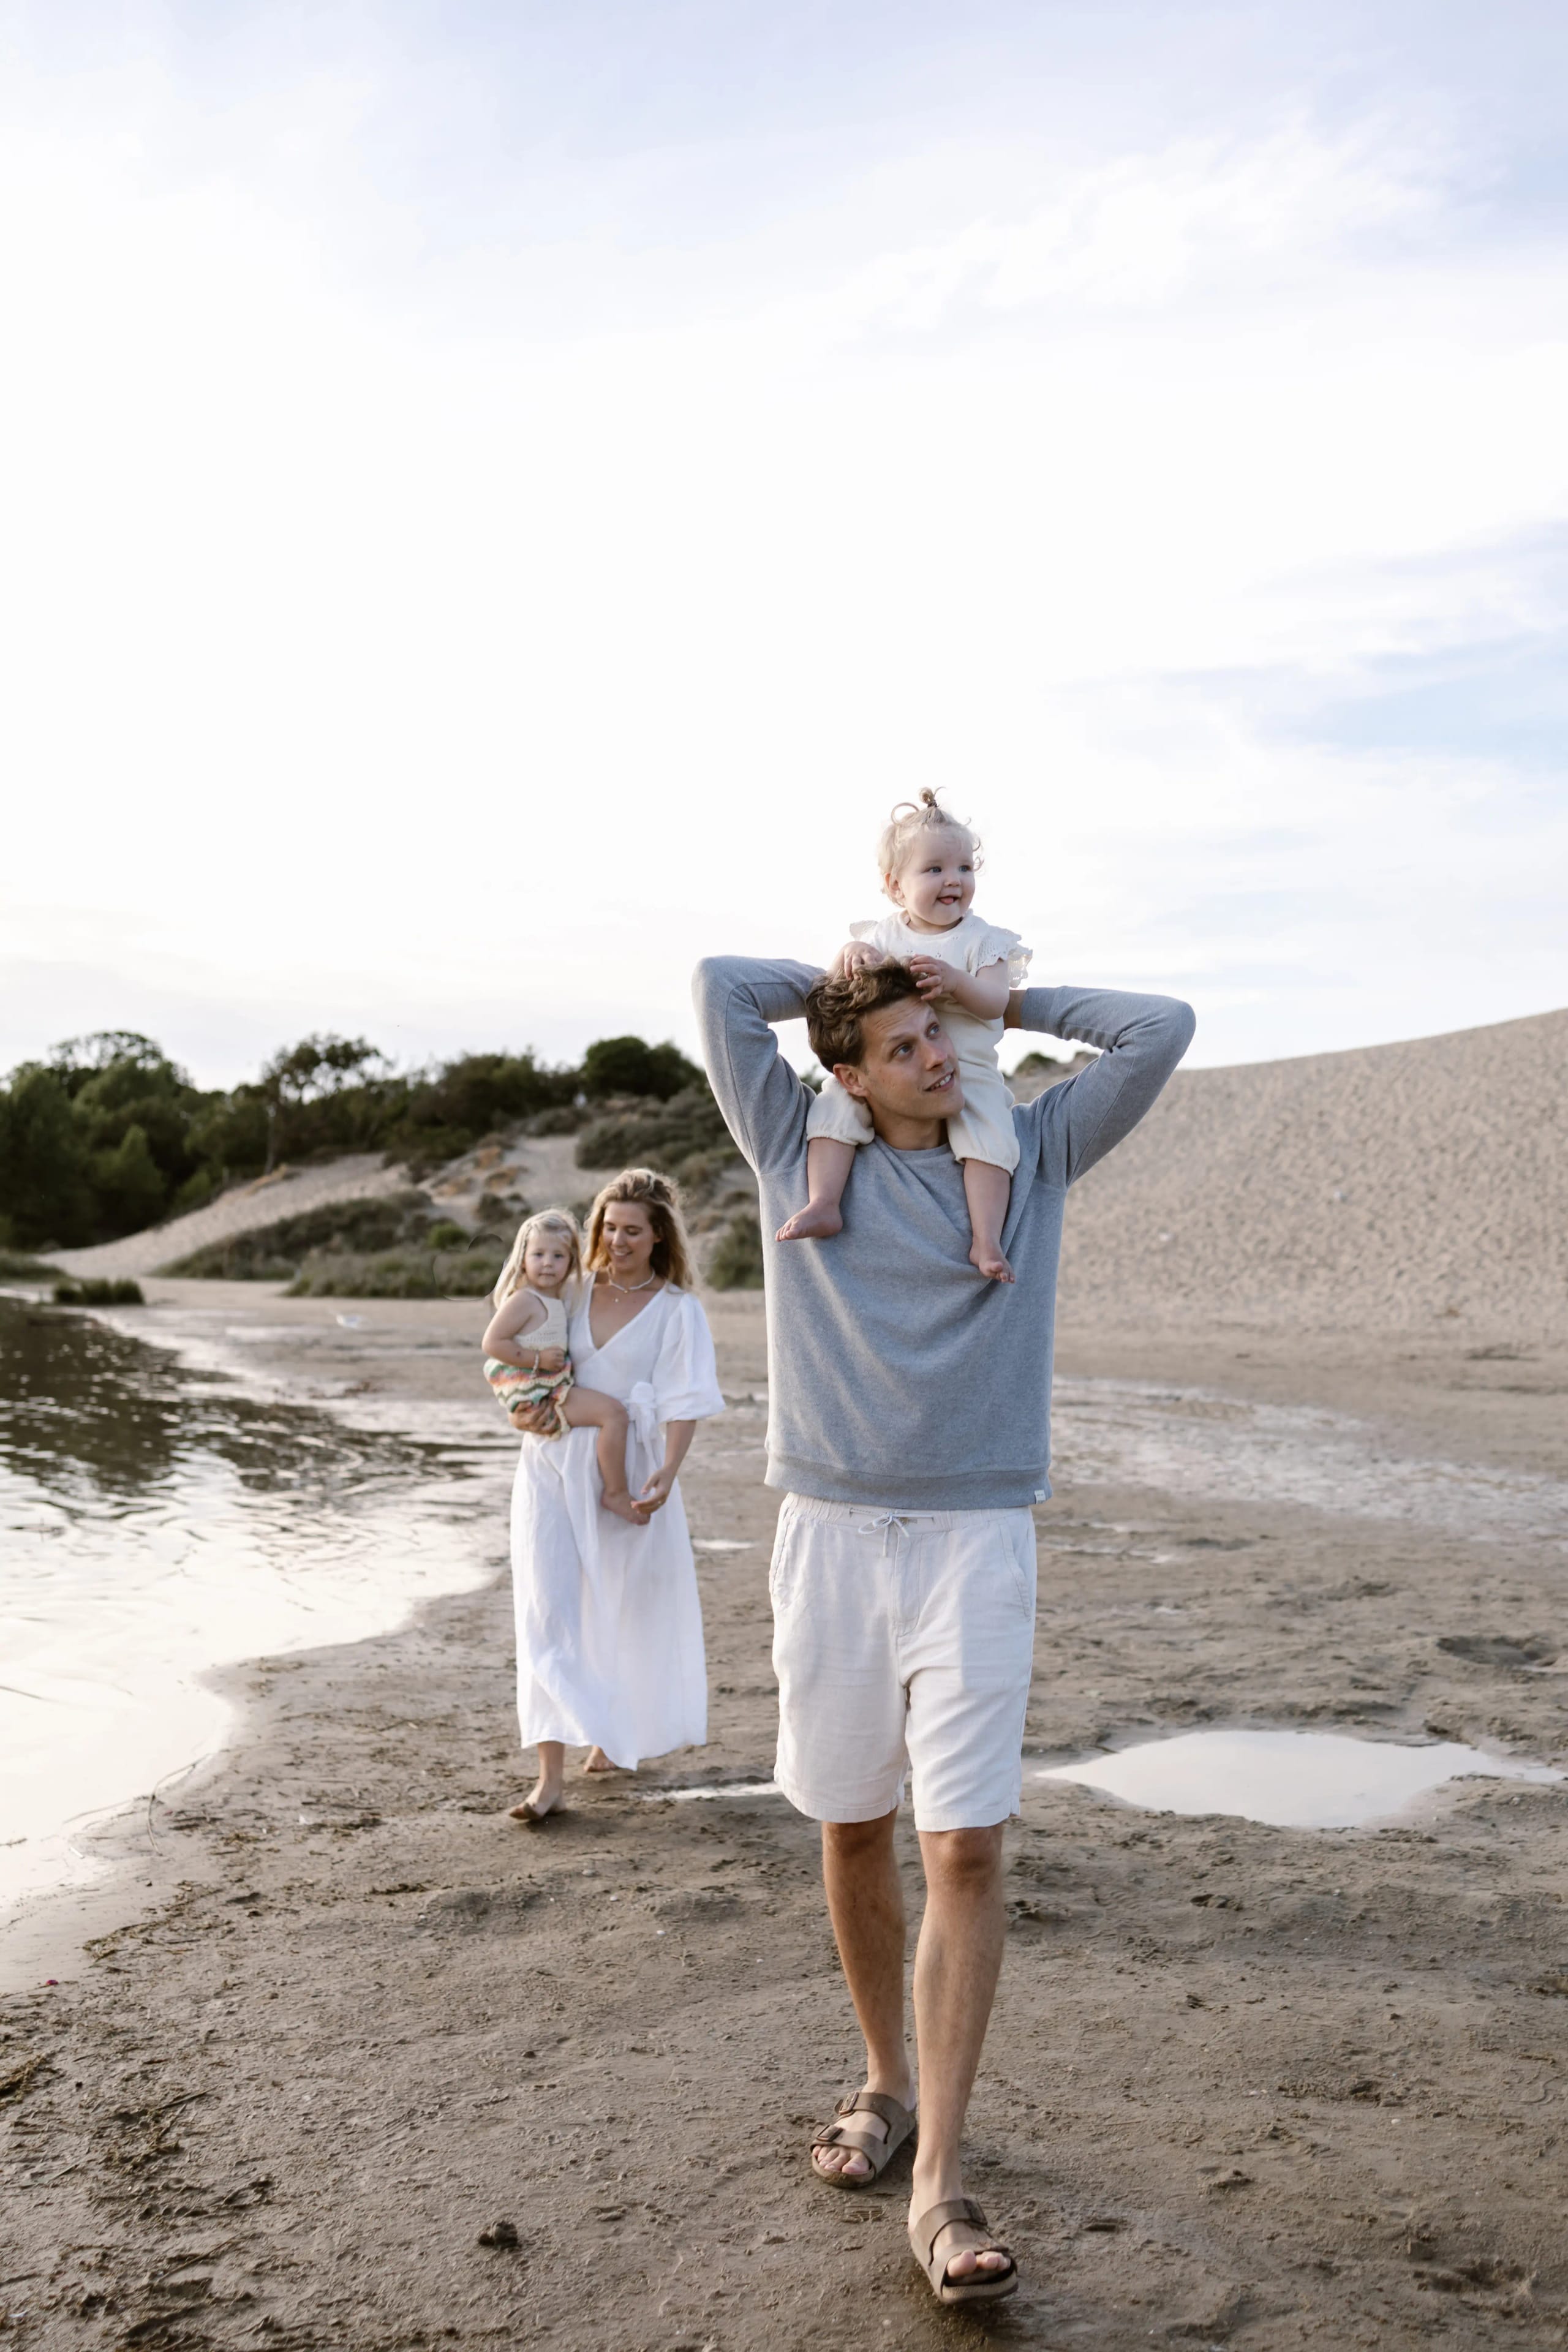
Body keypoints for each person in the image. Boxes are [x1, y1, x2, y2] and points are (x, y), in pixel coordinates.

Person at [693, 948, 1193, 2307]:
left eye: (939, 1037)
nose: (934, 1058)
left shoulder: (1030, 1151)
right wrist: (850, 973)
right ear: (848, 1073)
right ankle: (884, 2083)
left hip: (977, 1539)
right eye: (905, 1043)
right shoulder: (795, 1148)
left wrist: (988, 997)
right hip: (830, 1536)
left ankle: (941, 2178)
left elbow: (1160, 1025)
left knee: (963, 1842)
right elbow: (718, 986)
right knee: (851, 1824)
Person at [503, 1169, 725, 1824]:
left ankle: (608, 1731)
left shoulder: (677, 1310)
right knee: (547, 1610)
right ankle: (549, 1779)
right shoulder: (568, 1290)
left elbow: (685, 1401)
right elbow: (514, 1345)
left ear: (658, 1237)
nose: (617, 1240)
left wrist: (670, 1471)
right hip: (550, 1463)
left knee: (621, 1608)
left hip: (626, 1471)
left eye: (632, 1230)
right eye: (608, 1227)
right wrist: (520, 1402)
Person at [777, 788, 1030, 1282]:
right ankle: (824, 1201)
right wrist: (848, 954)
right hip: (895, 1070)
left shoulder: (984, 941)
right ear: (896, 887)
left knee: (989, 1136)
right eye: (934, 869)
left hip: (969, 1066)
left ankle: (986, 1239)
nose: (953, 880)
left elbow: (996, 1003)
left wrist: (956, 982)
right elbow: (834, 992)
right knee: (834, 1105)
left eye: (964, 868)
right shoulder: (884, 935)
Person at [480, 1209, 647, 1526]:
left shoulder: (558, 1297)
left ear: (571, 1262)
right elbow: (492, 1343)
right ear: (523, 1259)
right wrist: (538, 1360)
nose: (547, 1263)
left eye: (558, 1256)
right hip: (541, 1391)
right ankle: (615, 1492)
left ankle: (613, 1489)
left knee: (613, 1415)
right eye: (538, 1254)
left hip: (551, 1386)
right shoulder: (524, 1300)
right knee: (614, 1415)